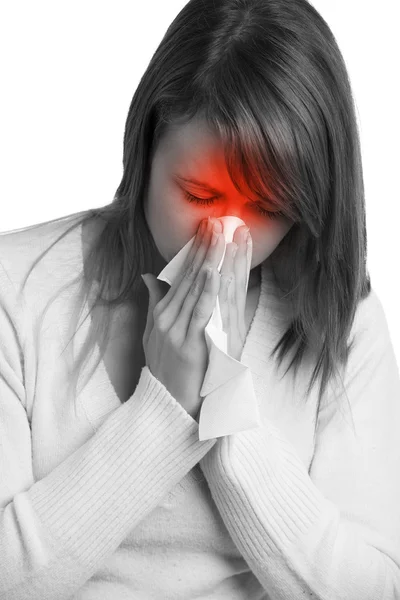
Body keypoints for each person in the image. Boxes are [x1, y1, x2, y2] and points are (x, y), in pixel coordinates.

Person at [0, 0, 399, 598]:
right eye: (200, 194)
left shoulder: (340, 314)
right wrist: (162, 414)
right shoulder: (18, 288)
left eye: (267, 208)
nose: (226, 239)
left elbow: (373, 587)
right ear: (147, 143)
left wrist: (226, 407)